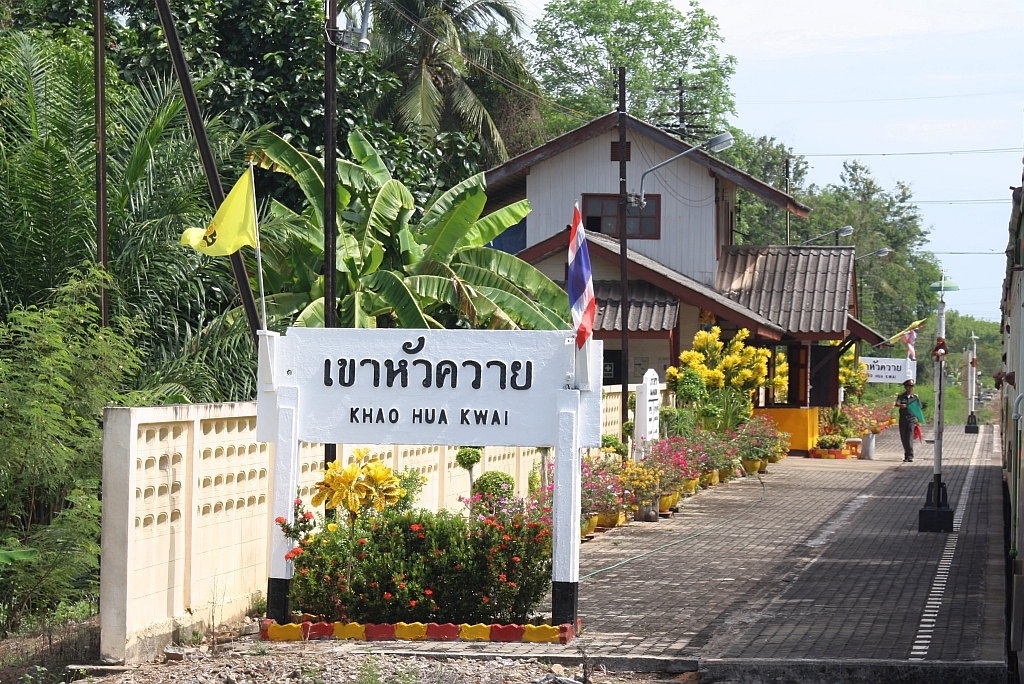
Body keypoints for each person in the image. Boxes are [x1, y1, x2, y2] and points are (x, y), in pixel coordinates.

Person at [895, 379, 922, 462]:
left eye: (912, 386)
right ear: (905, 387)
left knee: (909, 436)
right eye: (909, 386)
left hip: (911, 419)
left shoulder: (915, 397)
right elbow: (896, 403)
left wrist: (918, 419)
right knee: (904, 437)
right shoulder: (901, 396)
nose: (910, 388)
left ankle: (910, 455)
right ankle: (906, 454)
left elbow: (919, 408)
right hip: (903, 419)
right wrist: (901, 405)